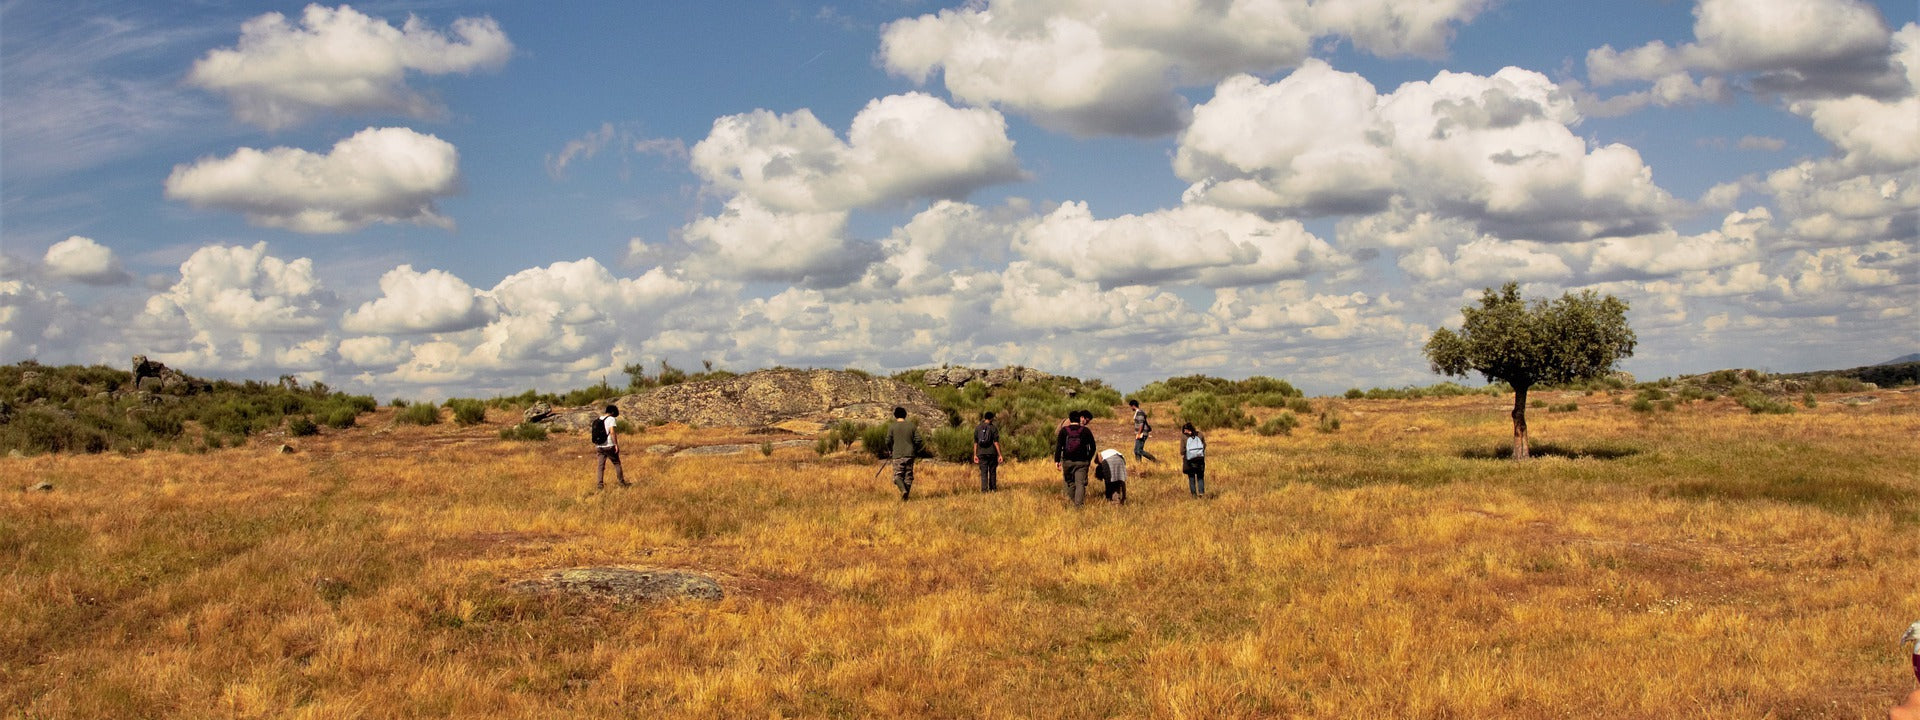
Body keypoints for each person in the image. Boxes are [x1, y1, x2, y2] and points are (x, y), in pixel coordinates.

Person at [1053, 410, 1097, 507]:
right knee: (1080, 484)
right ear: (1080, 418)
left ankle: (1070, 503)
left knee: (1070, 483)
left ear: (1070, 418)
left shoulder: (1064, 430)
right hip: (1082, 462)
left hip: (1067, 461)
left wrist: (1057, 460)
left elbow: (1059, 446)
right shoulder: (1086, 431)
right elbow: (1093, 447)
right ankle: (1078, 506)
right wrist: (1088, 459)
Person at [887, 406, 923, 501]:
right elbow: (919, 439)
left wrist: (890, 450)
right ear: (905, 415)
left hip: (898, 455)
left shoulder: (892, 427)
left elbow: (888, 441)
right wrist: (913, 448)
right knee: (908, 477)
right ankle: (905, 498)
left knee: (897, 476)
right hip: (910, 454)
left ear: (895, 416)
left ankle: (903, 491)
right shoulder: (911, 426)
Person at [592, 404, 631, 491]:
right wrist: (616, 444)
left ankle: (600, 484)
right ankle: (621, 483)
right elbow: (612, 432)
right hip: (609, 445)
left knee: (600, 466)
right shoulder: (611, 419)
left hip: (599, 445)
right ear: (613, 412)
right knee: (617, 463)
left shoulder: (599, 419)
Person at [973, 411, 1002, 492]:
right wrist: (999, 454)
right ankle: (993, 489)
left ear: (985, 418)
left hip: (981, 453)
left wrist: (975, 455)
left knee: (983, 472)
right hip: (992, 452)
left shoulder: (978, 428)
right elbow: (996, 442)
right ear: (992, 418)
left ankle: (984, 490)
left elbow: (975, 443)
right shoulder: (993, 428)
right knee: (992, 471)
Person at [1180, 422, 1206, 497]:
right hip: (1200, 459)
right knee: (1200, 477)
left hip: (1189, 460)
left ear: (1186, 430)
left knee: (1191, 478)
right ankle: (1201, 493)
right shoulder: (1200, 434)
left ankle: (1194, 495)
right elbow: (1204, 445)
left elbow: (1182, 450)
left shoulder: (1184, 437)